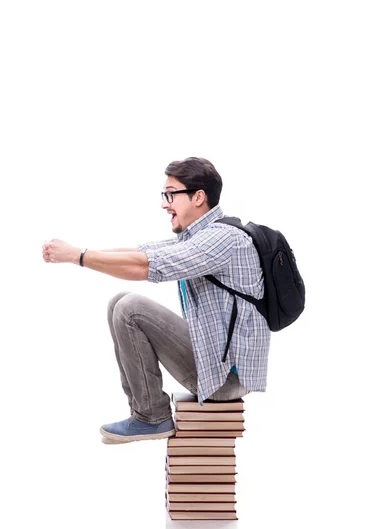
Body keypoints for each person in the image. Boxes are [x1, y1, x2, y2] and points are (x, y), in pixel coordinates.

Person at [42, 157, 270, 444]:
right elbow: (139, 252)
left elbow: (145, 267)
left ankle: (151, 417)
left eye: (171, 194)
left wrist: (79, 257)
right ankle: (146, 413)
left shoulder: (222, 240)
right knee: (119, 301)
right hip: (217, 364)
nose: (165, 204)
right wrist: (78, 252)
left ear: (198, 197)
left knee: (130, 308)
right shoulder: (200, 236)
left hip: (227, 377)